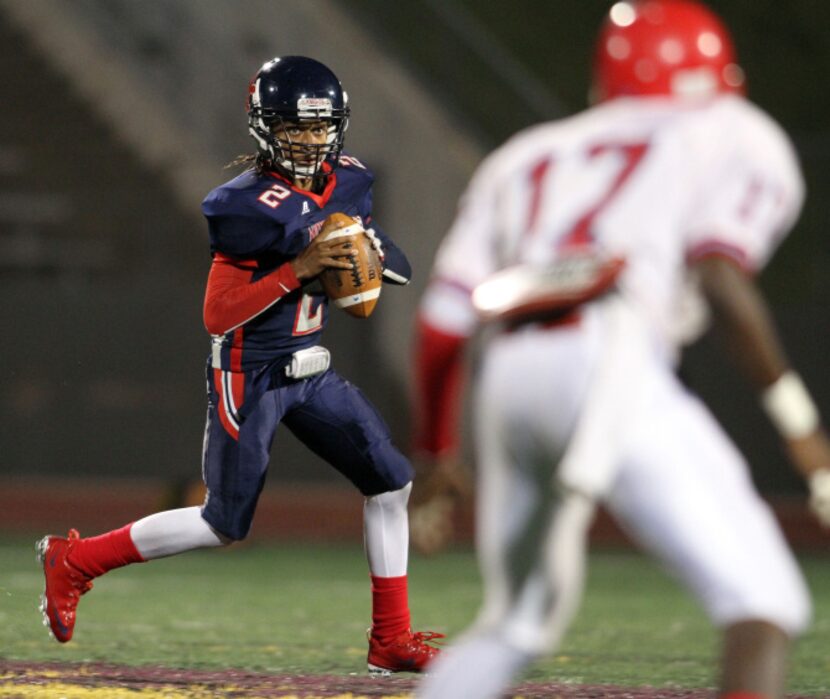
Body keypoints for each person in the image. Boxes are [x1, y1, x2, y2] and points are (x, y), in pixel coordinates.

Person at [412, 2, 830, 698]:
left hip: (509, 375)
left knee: (516, 621)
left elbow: (441, 324)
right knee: (764, 601)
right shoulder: (731, 130)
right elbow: (721, 277)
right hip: (613, 354)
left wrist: (434, 450)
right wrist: (802, 428)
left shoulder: (527, 154)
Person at [37, 55, 441, 676]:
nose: (308, 141)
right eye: (294, 129)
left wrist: (369, 252)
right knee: (223, 523)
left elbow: (391, 255)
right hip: (249, 370)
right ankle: (76, 561)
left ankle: (391, 638)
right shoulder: (242, 204)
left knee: (391, 482)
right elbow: (218, 314)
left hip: (310, 368)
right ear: (264, 128)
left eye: (318, 128)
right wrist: (300, 270)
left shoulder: (351, 180)